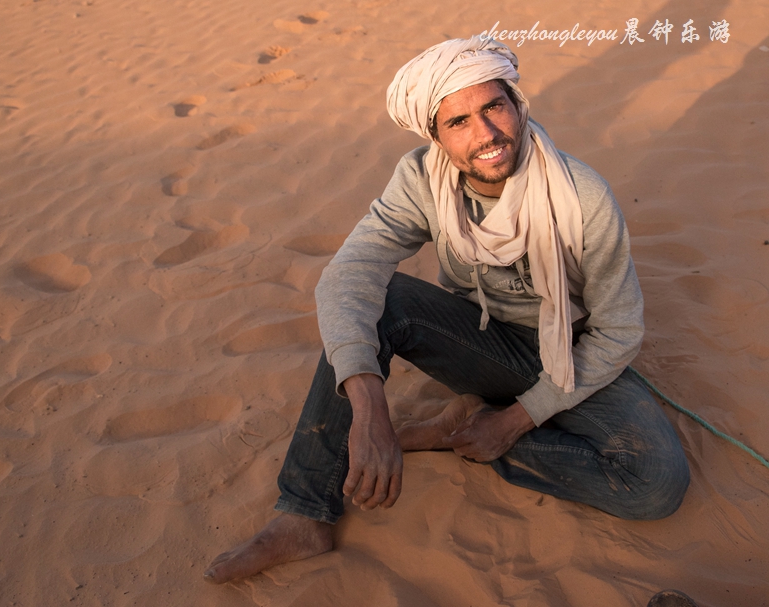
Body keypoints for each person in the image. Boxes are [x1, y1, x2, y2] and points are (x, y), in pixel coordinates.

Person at [204, 36, 690, 585]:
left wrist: (514, 420)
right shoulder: (421, 180)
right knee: (378, 298)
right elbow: (349, 273)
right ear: (435, 137)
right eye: (458, 122)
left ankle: (460, 431)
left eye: (493, 107)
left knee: (655, 482)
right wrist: (368, 406)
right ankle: (302, 513)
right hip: (477, 341)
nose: (486, 135)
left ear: (517, 105)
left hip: (569, 354)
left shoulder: (582, 197)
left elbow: (619, 331)